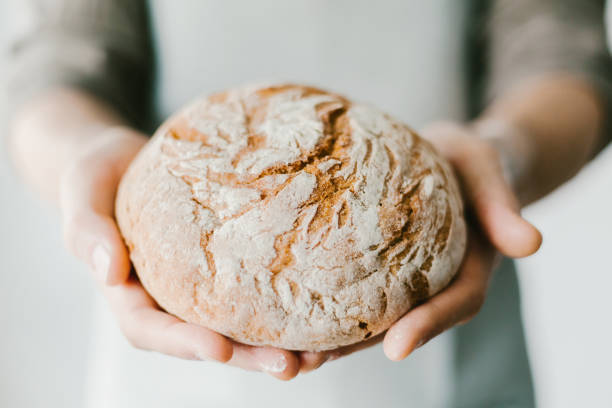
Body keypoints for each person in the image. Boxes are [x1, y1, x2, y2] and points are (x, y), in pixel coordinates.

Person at [4, 0, 611, 407]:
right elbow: (57, 61)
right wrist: (85, 150)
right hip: (176, 326)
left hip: (453, 327)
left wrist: (502, 156)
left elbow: (560, 52)